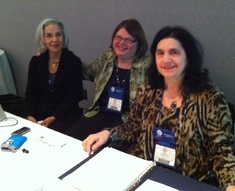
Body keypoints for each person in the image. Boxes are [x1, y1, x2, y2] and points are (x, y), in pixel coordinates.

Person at [82, 26, 235, 190]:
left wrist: (230, 184)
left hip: (186, 180)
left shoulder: (209, 98)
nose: (166, 59)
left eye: (174, 52)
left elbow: (222, 153)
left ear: (188, 57)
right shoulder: (149, 89)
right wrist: (107, 134)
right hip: (143, 172)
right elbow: (133, 126)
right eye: (160, 53)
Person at [65, 18, 151, 140]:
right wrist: (59, 57)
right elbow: (86, 71)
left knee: (103, 147)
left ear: (139, 42)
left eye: (128, 40)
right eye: (118, 37)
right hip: (100, 113)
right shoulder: (108, 57)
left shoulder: (147, 65)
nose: (121, 42)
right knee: (70, 139)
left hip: (127, 120)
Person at [25, 17, 84, 133]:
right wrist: (30, 115)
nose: (55, 40)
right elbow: (31, 92)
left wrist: (54, 117)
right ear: (42, 39)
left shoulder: (73, 62)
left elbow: (74, 96)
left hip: (65, 115)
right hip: (39, 113)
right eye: (49, 36)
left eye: (58, 35)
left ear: (64, 36)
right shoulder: (36, 61)